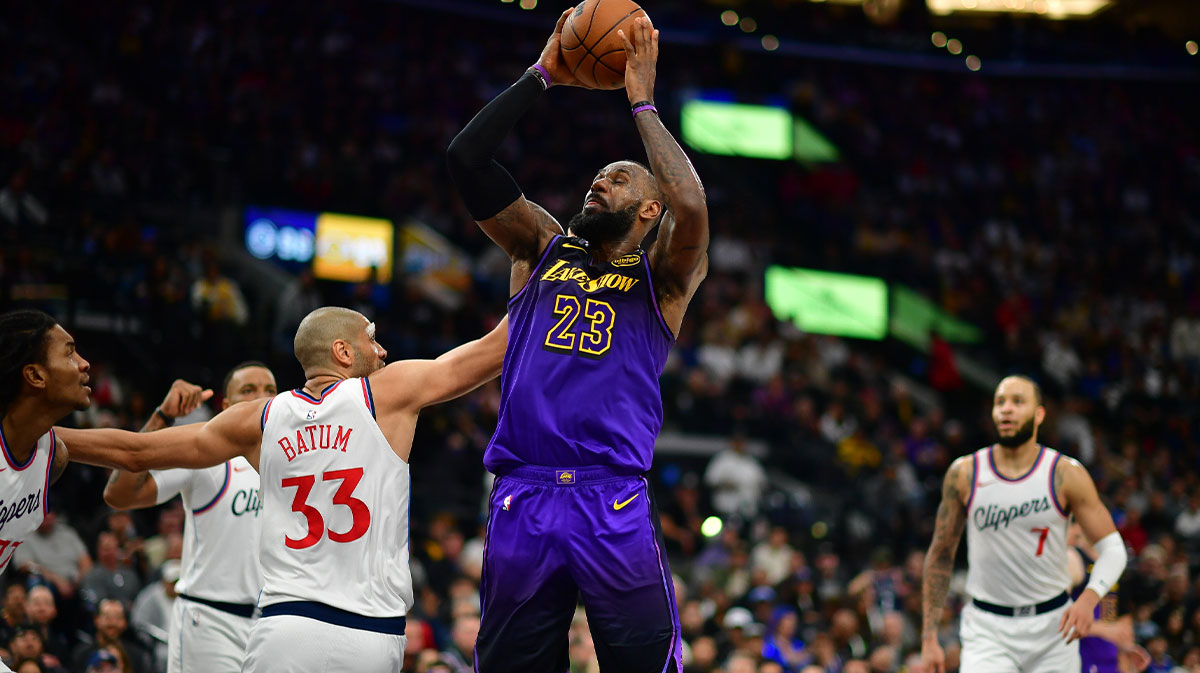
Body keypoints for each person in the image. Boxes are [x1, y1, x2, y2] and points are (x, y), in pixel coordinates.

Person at [447, 12, 708, 673]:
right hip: (522, 493)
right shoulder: (539, 246)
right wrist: (541, 74)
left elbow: (694, 207)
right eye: (598, 174)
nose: (601, 181)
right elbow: (465, 160)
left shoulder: (665, 279)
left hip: (611, 497)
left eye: (619, 178)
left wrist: (641, 101)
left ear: (651, 211)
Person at [57, 306, 508, 673]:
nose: (383, 350)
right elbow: (492, 352)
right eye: (372, 338)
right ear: (343, 352)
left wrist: (50, 439)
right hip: (371, 633)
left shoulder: (258, 419)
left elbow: (135, 453)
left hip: (285, 629)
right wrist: (553, 272)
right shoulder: (384, 393)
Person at [921, 376, 1128, 673]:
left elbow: (1114, 549)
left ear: (1039, 414)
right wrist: (929, 638)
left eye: (1018, 402)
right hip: (987, 630)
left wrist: (1089, 598)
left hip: (1053, 628)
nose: (1006, 409)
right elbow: (940, 554)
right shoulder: (964, 473)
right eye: (1000, 402)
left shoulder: (1065, 473)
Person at [103, 363, 278, 673]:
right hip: (210, 622)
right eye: (248, 390)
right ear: (225, 406)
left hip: (272, 625)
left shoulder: (293, 460)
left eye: (269, 391)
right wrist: (163, 417)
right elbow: (121, 494)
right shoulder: (206, 456)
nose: (260, 398)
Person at [0, 310, 90, 673]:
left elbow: (133, 452)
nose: (84, 364)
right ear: (35, 375)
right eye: (69, 353)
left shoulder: (53, 455)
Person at [1067, 522, 1151, 673]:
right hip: (1080, 657)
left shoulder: (1115, 565)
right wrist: (1105, 630)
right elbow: (1057, 620)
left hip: (1109, 660)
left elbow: (1123, 625)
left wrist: (1126, 650)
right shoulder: (1074, 558)